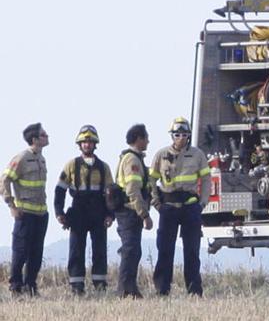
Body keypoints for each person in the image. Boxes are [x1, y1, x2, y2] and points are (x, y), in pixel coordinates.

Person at [149, 117, 211, 296]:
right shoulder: (161, 155)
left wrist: (202, 203)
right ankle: (162, 290)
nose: (181, 138)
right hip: (168, 207)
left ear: (189, 135)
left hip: (190, 207)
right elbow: (151, 180)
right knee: (165, 250)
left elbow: (207, 179)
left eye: (184, 134)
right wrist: (156, 203)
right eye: (177, 134)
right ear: (172, 136)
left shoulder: (197, 154)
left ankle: (194, 291)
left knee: (192, 251)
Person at [54, 125, 115, 294]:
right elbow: (60, 190)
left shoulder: (104, 167)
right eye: (84, 142)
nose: (87, 145)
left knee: (100, 250)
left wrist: (110, 215)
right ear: (79, 145)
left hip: (98, 211)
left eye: (90, 142)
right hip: (78, 210)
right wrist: (59, 213)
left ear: (95, 144)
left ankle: (100, 284)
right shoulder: (71, 165)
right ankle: (76, 285)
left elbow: (111, 194)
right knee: (76, 250)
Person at [0, 123, 50, 296]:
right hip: (25, 214)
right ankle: (15, 287)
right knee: (20, 252)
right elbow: (4, 180)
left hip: (41, 214)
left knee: (36, 253)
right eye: (43, 135)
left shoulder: (41, 159)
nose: (47, 136)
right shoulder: (21, 158)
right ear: (35, 139)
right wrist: (11, 206)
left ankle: (31, 286)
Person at [115, 123, 154, 298]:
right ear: (139, 139)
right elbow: (133, 190)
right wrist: (144, 214)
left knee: (133, 251)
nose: (148, 141)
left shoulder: (134, 158)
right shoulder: (132, 160)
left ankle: (130, 288)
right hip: (129, 212)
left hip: (130, 212)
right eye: (146, 138)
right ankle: (124, 290)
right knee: (130, 251)